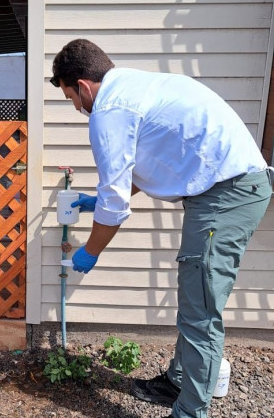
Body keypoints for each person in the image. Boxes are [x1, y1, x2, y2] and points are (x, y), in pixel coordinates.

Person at [50, 39, 273, 418]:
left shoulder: (108, 109)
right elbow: (144, 166)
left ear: (83, 86)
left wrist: (92, 250)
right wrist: (99, 200)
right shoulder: (137, 86)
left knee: (200, 311)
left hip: (227, 195)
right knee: (194, 298)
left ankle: (190, 410)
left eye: (72, 97)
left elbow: (116, 205)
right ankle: (178, 381)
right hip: (229, 189)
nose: (76, 107)